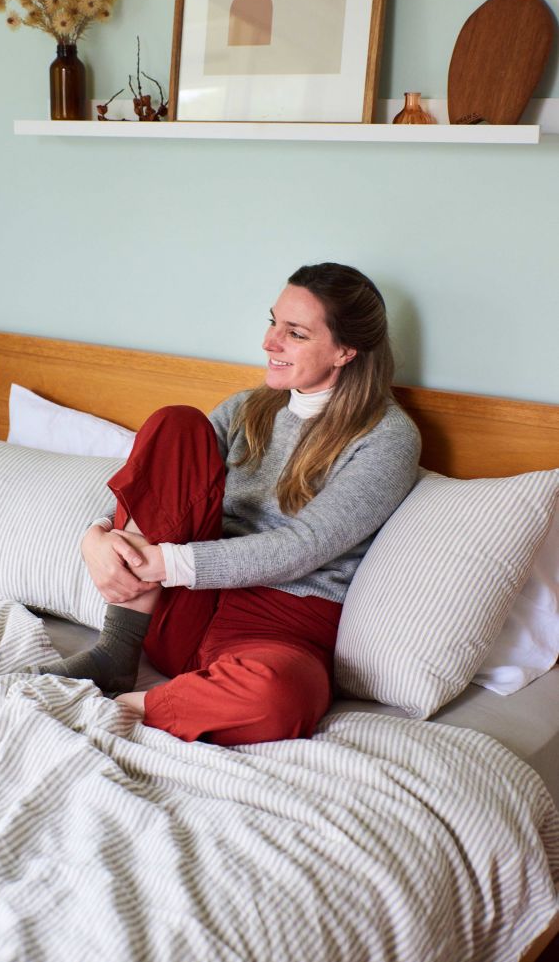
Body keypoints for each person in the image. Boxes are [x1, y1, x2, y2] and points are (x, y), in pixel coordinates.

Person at [37, 263, 421, 746]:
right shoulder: (246, 408)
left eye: (295, 333)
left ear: (345, 351)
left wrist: (165, 562)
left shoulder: (387, 438)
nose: (269, 342)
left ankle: (140, 703)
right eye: (273, 322)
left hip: (277, 628)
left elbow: (306, 546)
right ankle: (117, 650)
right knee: (176, 425)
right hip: (177, 610)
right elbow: (156, 483)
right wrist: (96, 534)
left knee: (278, 698)